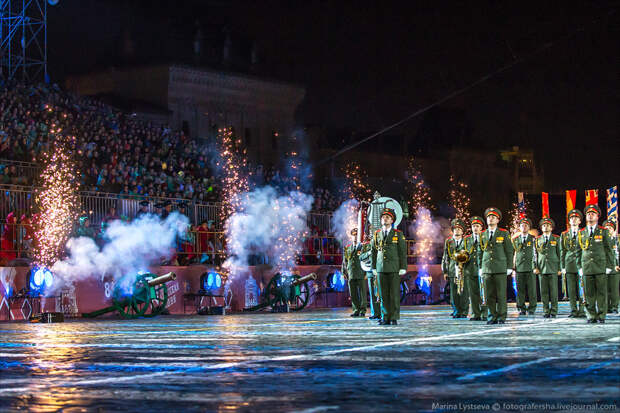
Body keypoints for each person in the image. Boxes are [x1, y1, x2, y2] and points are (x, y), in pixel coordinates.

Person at [576, 204, 615, 324]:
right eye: (588, 214)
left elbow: (609, 250)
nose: (590, 215)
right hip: (587, 267)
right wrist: (579, 267)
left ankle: (601, 314)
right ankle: (591, 315)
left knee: (601, 293)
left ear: (598, 216)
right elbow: (578, 252)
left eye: (593, 213)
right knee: (588, 293)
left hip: (600, 267)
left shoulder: (603, 231)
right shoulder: (581, 232)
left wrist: (609, 266)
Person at [477, 207, 514, 325]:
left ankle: (501, 316)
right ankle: (491, 316)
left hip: (500, 268)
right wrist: (480, 267)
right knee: (489, 295)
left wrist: (509, 267)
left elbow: (509, 251)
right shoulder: (482, 234)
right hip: (487, 267)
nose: (490, 219)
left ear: (498, 220)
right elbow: (480, 252)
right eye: (488, 217)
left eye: (493, 217)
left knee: (501, 294)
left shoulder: (503, 233)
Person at [371, 208, 407, 326]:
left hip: (394, 268)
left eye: (387, 217)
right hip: (381, 267)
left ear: (392, 220)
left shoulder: (398, 234)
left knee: (394, 294)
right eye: (383, 217)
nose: (384, 219)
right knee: (383, 294)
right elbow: (374, 252)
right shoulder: (377, 234)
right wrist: (374, 267)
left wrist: (403, 267)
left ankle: (394, 317)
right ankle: (385, 316)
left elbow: (402, 252)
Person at [560, 209, 586, 318]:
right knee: (571, 290)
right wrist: (562, 266)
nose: (573, 220)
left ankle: (582, 309)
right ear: (569, 221)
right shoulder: (564, 234)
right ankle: (573, 310)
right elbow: (562, 251)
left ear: (580, 221)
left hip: (581, 264)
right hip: (569, 263)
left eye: (576, 218)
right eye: (571, 218)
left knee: (582, 289)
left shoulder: (584, 233)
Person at [533, 217, 561, 318]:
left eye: (548, 225)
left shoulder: (556, 238)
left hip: (553, 267)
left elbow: (559, 253)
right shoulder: (537, 239)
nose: (545, 227)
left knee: (553, 291)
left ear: (552, 228)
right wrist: (535, 267)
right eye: (544, 225)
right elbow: (535, 254)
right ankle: (545, 310)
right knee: (543, 291)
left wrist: (559, 268)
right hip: (541, 268)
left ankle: (554, 310)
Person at [441, 218, 469, 318]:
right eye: (455, 229)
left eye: (459, 229)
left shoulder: (466, 241)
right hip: (453, 269)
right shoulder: (448, 241)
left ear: (463, 231)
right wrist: (445, 271)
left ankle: (464, 311)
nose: (457, 231)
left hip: (464, 269)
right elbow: (445, 256)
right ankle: (456, 310)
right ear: (452, 230)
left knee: (464, 291)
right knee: (454, 292)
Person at [512, 217, 537, 316]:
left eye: (526, 225)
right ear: (519, 227)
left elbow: (535, 253)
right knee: (520, 289)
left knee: (532, 290)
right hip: (519, 267)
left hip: (530, 267)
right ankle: (521, 308)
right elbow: (513, 254)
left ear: (529, 227)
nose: (524, 227)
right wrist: (513, 267)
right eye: (522, 225)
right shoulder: (515, 240)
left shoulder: (533, 239)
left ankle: (532, 308)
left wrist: (535, 266)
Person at [463, 216, 486, 321]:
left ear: (481, 227)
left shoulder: (485, 237)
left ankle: (485, 313)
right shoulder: (467, 239)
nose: (475, 228)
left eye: (477, 226)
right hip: (470, 269)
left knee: (484, 293)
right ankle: (475, 313)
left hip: (483, 269)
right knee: (473, 293)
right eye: (473, 226)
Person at [342, 228, 367, 317]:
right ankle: (356, 309)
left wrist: (366, 272)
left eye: (357, 235)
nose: (355, 237)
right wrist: (344, 272)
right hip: (351, 272)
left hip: (360, 272)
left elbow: (366, 260)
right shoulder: (348, 248)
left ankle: (363, 310)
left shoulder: (363, 247)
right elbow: (344, 261)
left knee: (362, 293)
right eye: (353, 235)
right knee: (353, 293)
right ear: (351, 236)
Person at [602, 219, 620, 314]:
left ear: (614, 230)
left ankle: (614, 306)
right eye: (607, 228)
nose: (608, 229)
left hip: (615, 268)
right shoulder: (601, 241)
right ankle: (606, 307)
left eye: (610, 228)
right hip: (603, 267)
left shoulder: (617, 241)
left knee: (614, 289)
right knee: (604, 289)